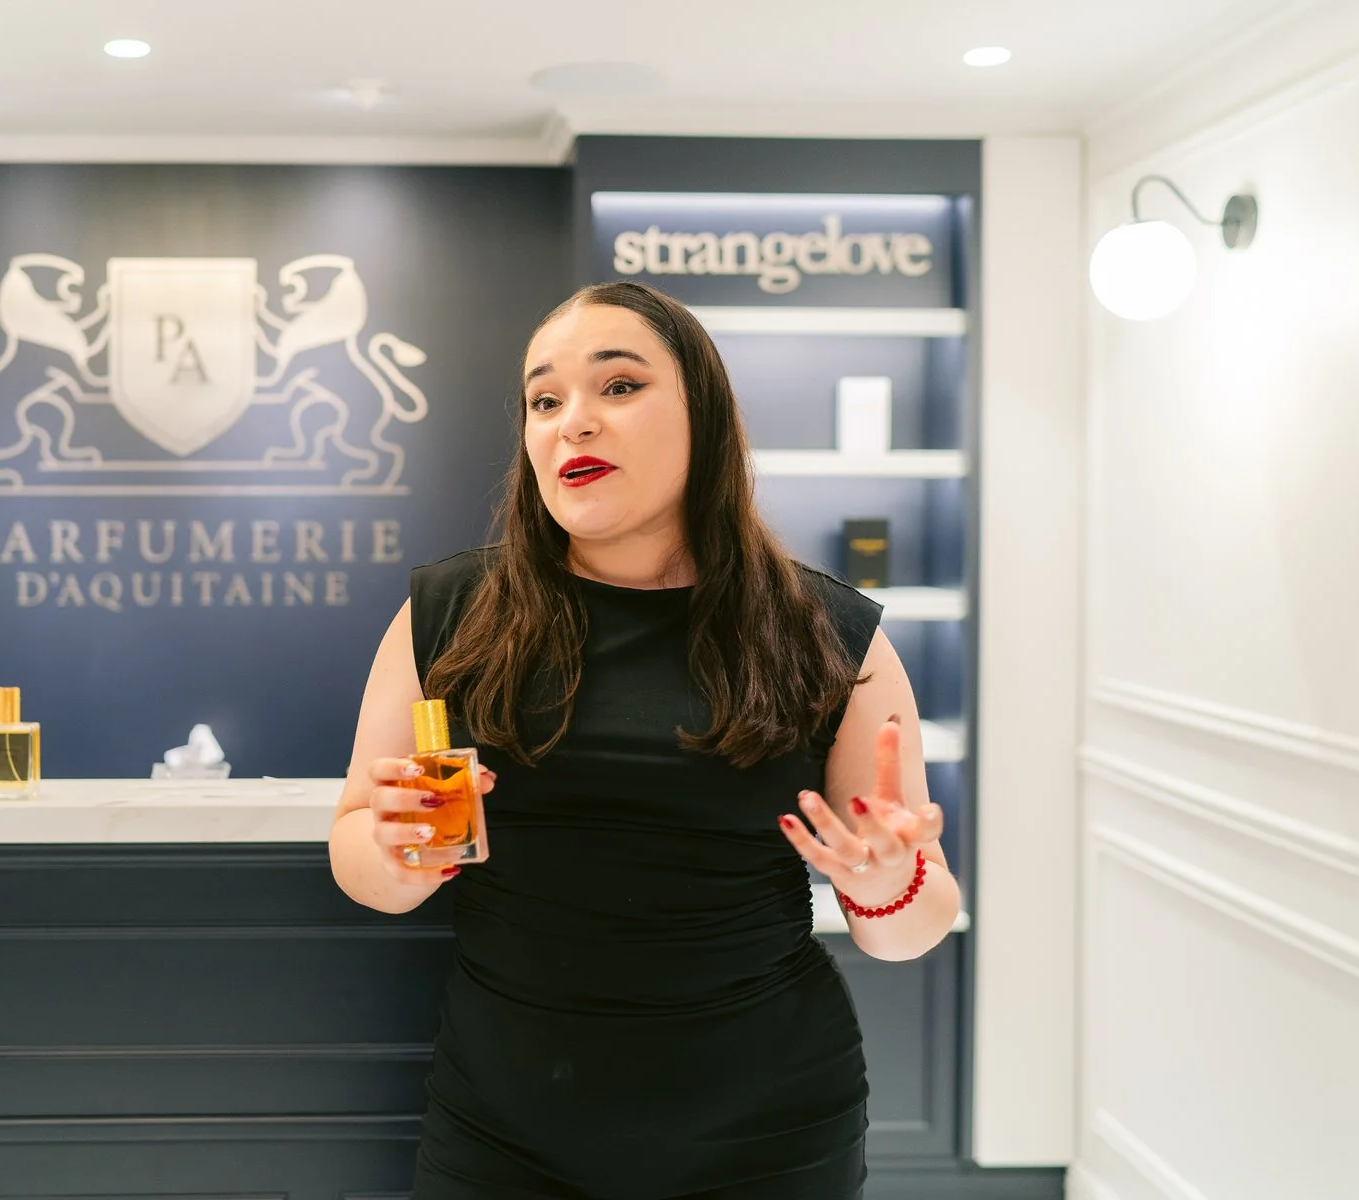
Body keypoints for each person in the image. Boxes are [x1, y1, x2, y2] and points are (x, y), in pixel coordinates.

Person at [329, 281, 962, 1200]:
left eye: (617, 386)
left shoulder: (822, 629)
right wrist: (392, 858)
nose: (571, 423)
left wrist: (883, 883)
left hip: (768, 1136)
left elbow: (915, 924)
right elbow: (357, 848)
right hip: (503, 1135)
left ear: (703, 414)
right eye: (544, 401)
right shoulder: (447, 614)